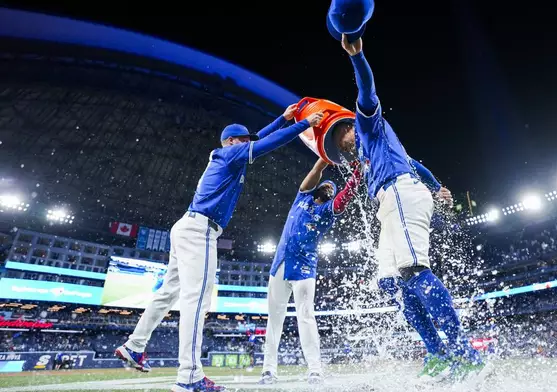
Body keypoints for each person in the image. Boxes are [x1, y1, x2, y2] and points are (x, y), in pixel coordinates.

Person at [114, 105, 324, 392]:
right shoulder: (230, 153)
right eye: (244, 140)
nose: (249, 143)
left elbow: (258, 137)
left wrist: (283, 119)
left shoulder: (228, 154)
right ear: (233, 142)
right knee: (197, 301)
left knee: (167, 295)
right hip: (200, 231)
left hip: (188, 227)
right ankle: (189, 377)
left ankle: (134, 346)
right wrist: (303, 125)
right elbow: (265, 144)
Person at [333, 34, 485, 382]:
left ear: (350, 125)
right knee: (390, 282)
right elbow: (417, 162)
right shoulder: (370, 157)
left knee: (414, 270)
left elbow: (367, 93)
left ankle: (465, 353)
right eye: (338, 140)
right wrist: (436, 186)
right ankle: (438, 354)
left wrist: (356, 56)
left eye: (341, 133)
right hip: (392, 200)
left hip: (400, 194)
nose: (342, 141)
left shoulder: (368, 126)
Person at [259, 158, 362, 385]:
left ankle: (315, 370)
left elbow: (344, 197)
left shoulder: (327, 210)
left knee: (306, 317)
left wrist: (356, 176)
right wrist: (324, 156)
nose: (329, 188)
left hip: (304, 268)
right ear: (318, 187)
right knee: (274, 320)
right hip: (280, 264)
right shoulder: (302, 198)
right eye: (326, 185)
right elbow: (316, 170)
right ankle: (268, 370)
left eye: (332, 189)